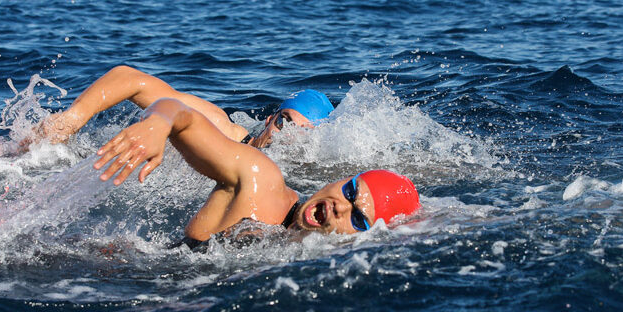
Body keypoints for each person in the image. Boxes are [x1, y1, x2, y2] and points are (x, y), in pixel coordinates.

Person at [93, 96, 420, 247]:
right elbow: (178, 111)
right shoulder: (260, 178)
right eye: (350, 192)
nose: (340, 206)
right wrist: (158, 125)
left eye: (359, 218)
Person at [37, 65, 334, 149]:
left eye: (303, 133)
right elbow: (130, 79)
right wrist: (71, 120)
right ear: (269, 119)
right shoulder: (222, 129)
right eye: (285, 121)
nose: (286, 136)